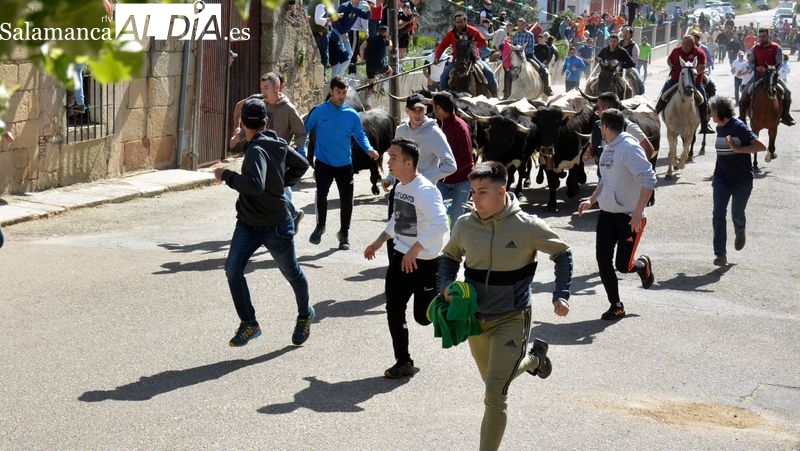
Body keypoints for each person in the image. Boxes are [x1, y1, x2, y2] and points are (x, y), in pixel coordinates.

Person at [439, 161, 572, 451]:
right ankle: (536, 360)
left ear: (502, 191)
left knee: (494, 394)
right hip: (474, 319)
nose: (475, 198)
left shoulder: (527, 226)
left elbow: (562, 253)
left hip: (512, 317)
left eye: (483, 192)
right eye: (473, 191)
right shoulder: (465, 224)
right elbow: (448, 258)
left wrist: (561, 293)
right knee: (494, 379)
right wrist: (446, 286)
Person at [214, 97, 314, 347]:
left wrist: (226, 175)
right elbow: (302, 165)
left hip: (274, 226)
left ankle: (305, 315)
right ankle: (249, 323)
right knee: (232, 268)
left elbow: (254, 185)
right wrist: (282, 183)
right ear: (266, 121)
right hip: (248, 223)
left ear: (242, 123)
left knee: (291, 272)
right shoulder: (277, 142)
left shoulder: (257, 149)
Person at [364, 138, 450, 379]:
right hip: (400, 258)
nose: (388, 161)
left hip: (424, 263)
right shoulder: (401, 186)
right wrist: (380, 241)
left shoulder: (425, 190)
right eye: (388, 157)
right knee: (394, 308)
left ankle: (447, 297)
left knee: (423, 318)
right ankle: (404, 361)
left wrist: (415, 249)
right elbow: (398, 219)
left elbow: (441, 224)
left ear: (409, 163)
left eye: (393, 158)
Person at [578, 108, 656, 320]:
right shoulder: (608, 147)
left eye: (600, 125)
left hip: (628, 217)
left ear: (604, 126)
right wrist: (591, 200)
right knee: (603, 260)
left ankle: (642, 265)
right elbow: (607, 179)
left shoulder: (629, 147)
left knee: (624, 266)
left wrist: (638, 213)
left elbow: (649, 179)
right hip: (607, 214)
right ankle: (616, 305)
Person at [303, 76, 380, 250]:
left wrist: (369, 149)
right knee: (321, 195)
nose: (341, 96)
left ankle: (344, 233)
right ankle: (320, 226)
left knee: (347, 200)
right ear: (331, 91)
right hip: (323, 163)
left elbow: (360, 135)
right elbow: (304, 131)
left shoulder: (351, 115)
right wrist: (300, 150)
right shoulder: (319, 111)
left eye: (344, 93)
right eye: (338, 92)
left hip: (344, 165)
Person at [708, 96, 766, 266]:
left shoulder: (739, 126)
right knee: (718, 215)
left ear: (719, 113)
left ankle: (740, 231)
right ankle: (720, 254)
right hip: (721, 179)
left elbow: (761, 146)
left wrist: (738, 149)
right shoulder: (719, 128)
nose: (710, 114)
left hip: (742, 180)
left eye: (712, 111)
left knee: (737, 214)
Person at [654, 35, 715, 134]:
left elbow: (702, 67)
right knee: (663, 95)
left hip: (694, 83)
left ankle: (704, 125)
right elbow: (669, 59)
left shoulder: (699, 53)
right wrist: (671, 65)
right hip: (675, 81)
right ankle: (654, 116)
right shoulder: (676, 51)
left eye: (688, 44)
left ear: (693, 44)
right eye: (684, 43)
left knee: (703, 100)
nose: (685, 46)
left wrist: (693, 72)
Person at [738, 28, 795, 126]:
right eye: (760, 37)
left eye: (764, 37)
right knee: (744, 93)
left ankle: (785, 116)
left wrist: (770, 69)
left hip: (773, 77)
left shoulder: (776, 48)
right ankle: (742, 118)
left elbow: (779, 63)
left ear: (769, 37)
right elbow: (751, 63)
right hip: (758, 76)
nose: (761, 39)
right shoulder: (755, 48)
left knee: (787, 92)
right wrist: (757, 68)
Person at [432, 92, 474, 225]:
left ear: (438, 108)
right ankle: (453, 207)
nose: (432, 110)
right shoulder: (435, 126)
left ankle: (454, 245)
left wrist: (445, 169)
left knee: (456, 219)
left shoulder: (461, 127)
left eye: (433, 106)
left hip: (462, 180)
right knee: (430, 208)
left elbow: (467, 160)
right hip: (442, 180)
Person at [434, 12, 499, 97]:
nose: (459, 24)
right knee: (443, 77)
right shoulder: (451, 34)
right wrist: (437, 57)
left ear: (465, 22)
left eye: (461, 22)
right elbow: (442, 46)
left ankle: (495, 96)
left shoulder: (473, 31)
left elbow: (484, 42)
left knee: (489, 74)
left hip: (474, 59)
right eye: (457, 22)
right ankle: (445, 99)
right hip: (457, 60)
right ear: (454, 22)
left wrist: (473, 44)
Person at [585, 91, 656, 165]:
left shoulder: (629, 127)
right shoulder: (597, 126)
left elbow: (649, 150)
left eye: (597, 107)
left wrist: (635, 169)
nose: (596, 111)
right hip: (604, 176)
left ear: (605, 109)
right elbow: (591, 147)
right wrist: (589, 152)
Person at [513, 18, 554, 96]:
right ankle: (507, 90)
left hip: (529, 56)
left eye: (521, 25)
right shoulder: (515, 35)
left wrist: (522, 52)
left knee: (543, 70)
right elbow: (514, 46)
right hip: (518, 57)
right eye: (518, 25)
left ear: (525, 25)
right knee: (508, 71)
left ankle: (546, 89)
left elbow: (531, 48)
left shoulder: (530, 34)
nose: (520, 27)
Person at [331, 0, 371, 75]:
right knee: (342, 57)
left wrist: (369, 10)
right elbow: (335, 20)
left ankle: (339, 76)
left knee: (349, 55)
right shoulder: (344, 6)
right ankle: (336, 77)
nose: (360, 1)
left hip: (344, 33)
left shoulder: (358, 8)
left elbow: (366, 16)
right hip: (336, 32)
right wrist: (342, 32)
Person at [619, 27, 645, 93]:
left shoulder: (634, 46)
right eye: (624, 32)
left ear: (630, 34)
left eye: (627, 32)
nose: (624, 34)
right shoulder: (618, 43)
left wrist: (624, 64)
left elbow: (634, 60)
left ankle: (640, 93)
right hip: (617, 66)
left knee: (639, 81)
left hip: (629, 68)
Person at [308, 0, 331, 72]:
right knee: (323, 57)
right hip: (320, 33)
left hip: (314, 32)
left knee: (315, 56)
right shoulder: (320, 3)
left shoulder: (312, 1)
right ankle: (322, 78)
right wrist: (329, 20)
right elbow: (317, 20)